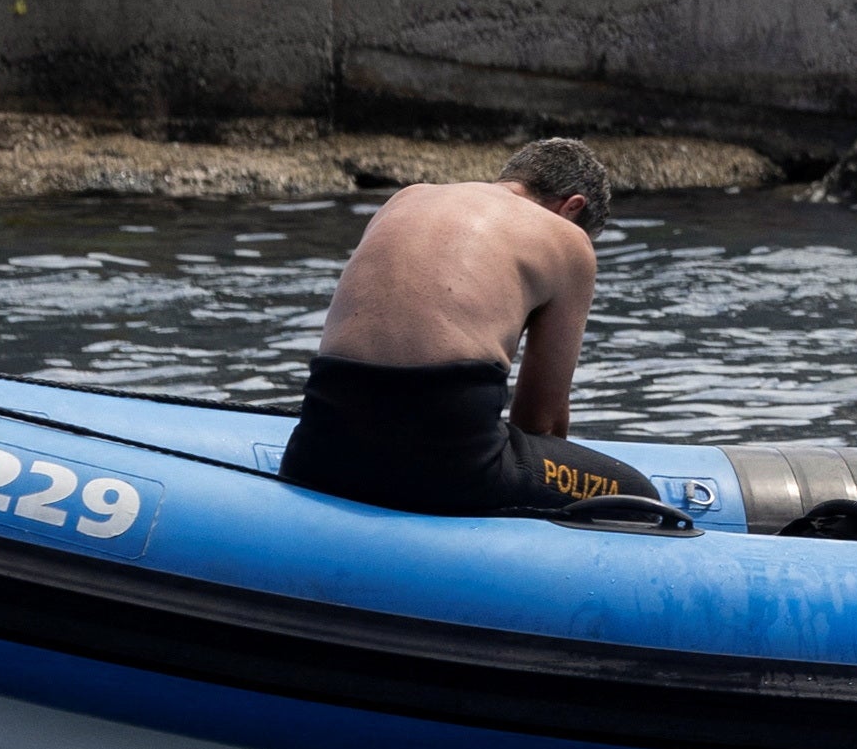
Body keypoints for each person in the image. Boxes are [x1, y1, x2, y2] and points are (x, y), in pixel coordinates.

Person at [279, 136, 665, 518]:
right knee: (638, 496)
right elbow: (540, 421)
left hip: (318, 450)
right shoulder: (567, 238)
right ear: (573, 207)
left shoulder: (407, 198)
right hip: (450, 469)